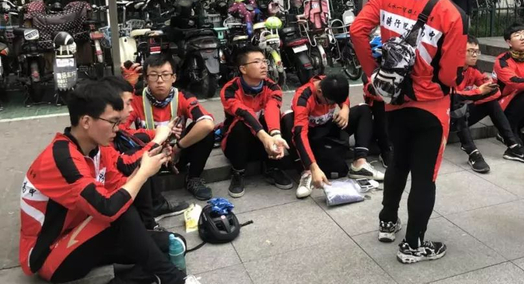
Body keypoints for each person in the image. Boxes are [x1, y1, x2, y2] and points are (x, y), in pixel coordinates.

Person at [19, 81, 226, 284]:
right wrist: (144, 172)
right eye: (113, 122)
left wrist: (156, 150)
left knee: (173, 245)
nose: (118, 128)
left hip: (86, 234)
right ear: (86, 121)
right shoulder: (62, 157)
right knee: (121, 210)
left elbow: (126, 167)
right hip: (51, 256)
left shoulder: (97, 148)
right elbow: (108, 207)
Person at [350, 0, 468, 264]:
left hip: (394, 101)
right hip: (431, 107)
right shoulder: (452, 14)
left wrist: (374, 75)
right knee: (424, 176)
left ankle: (388, 223)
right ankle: (414, 244)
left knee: (398, 162)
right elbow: (450, 76)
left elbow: (357, 30)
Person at [122, 54, 216, 201]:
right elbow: (119, 130)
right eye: (154, 75)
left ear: (174, 77)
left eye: (165, 75)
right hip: (148, 156)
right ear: (145, 78)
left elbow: (207, 124)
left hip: (176, 155)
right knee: (124, 142)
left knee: (206, 132)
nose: (160, 80)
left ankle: (193, 178)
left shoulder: (183, 96)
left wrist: (178, 147)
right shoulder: (136, 99)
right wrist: (157, 134)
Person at [101, 75, 189, 229]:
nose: (131, 109)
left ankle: (155, 206)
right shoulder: (101, 137)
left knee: (143, 149)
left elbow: (129, 134)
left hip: (114, 195)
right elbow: (127, 164)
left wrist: (161, 132)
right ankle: (148, 223)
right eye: (128, 103)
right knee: (141, 158)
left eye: (165, 74)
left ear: (174, 76)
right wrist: (157, 141)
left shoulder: (109, 127)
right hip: (110, 202)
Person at [283, 74, 384, 199]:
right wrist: (313, 168)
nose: (333, 105)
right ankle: (306, 173)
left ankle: (359, 164)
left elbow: (343, 98)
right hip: (311, 136)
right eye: (331, 102)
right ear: (319, 92)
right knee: (287, 118)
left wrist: (345, 109)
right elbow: (300, 134)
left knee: (363, 109)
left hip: (328, 128)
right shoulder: (303, 97)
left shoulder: (332, 83)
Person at [452, 35, 524, 173]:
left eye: (476, 51)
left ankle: (513, 146)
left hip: (464, 114)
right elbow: (450, 98)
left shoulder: (474, 69)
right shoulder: (448, 71)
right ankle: (473, 153)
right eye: (470, 51)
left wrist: (476, 96)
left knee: (491, 102)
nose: (474, 55)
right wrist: (478, 93)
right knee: (457, 107)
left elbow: (495, 91)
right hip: (445, 118)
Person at [220, 46, 293, 198]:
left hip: (265, 144)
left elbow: (272, 108)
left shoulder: (272, 87)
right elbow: (245, 113)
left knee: (280, 119)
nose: (264, 66)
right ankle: (238, 172)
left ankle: (273, 168)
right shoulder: (229, 90)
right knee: (240, 124)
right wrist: (265, 137)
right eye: (257, 62)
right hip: (237, 145)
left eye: (265, 61)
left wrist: (275, 135)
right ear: (243, 69)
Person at [362, 73, 393, 168]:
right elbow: (374, 91)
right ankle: (386, 150)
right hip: (379, 106)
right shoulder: (370, 72)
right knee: (382, 103)